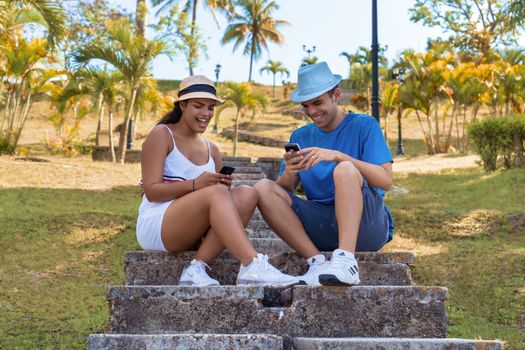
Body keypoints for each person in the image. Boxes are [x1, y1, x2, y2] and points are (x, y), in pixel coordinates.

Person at [137, 75, 297, 287]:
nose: (206, 113)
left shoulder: (212, 149)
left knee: (247, 193)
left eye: (211, 107)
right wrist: (197, 185)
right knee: (216, 193)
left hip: (190, 227)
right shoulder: (162, 134)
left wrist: (220, 189)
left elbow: (215, 196)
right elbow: (151, 191)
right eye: (198, 106)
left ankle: (196, 268)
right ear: (182, 105)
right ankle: (252, 264)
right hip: (157, 223)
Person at [254, 62, 394, 286]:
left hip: (365, 226)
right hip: (321, 227)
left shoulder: (365, 125)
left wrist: (339, 156)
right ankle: (316, 263)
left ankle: (346, 261)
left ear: (336, 95)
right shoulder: (301, 135)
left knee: (346, 169)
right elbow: (283, 192)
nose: (311, 112)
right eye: (306, 105)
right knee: (262, 187)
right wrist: (290, 172)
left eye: (318, 103)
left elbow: (386, 181)